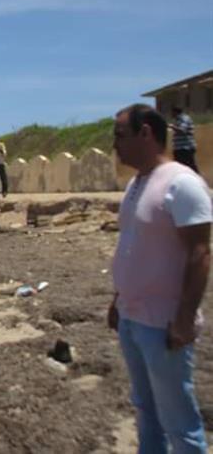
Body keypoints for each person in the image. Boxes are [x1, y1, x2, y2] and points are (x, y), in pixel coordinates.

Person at [109, 103, 210, 452]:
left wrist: (183, 319)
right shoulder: (137, 184)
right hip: (131, 317)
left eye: (120, 136)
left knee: (179, 422)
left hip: (163, 325)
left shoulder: (182, 184)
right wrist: (117, 300)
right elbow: (130, 244)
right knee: (145, 409)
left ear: (146, 133)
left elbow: (200, 254)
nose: (115, 145)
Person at [169, 106, 199, 173]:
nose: (171, 114)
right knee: (181, 168)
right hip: (180, 149)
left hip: (185, 148)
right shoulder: (178, 120)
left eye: (172, 113)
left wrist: (171, 126)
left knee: (190, 166)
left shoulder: (184, 118)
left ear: (175, 112)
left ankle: (198, 180)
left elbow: (182, 130)